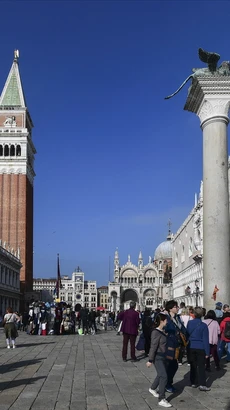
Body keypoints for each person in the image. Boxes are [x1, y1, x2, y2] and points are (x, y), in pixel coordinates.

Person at [146, 313, 172, 408]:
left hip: (163, 356)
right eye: (166, 320)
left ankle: (153, 388)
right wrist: (150, 360)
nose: (167, 322)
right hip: (158, 357)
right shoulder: (155, 332)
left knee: (161, 374)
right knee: (164, 376)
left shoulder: (162, 331)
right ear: (162, 321)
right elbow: (153, 346)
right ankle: (161, 399)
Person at [164, 300, 186, 392]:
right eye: (175, 307)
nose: (177, 308)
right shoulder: (165, 318)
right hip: (168, 344)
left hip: (176, 344)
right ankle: (166, 385)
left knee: (173, 365)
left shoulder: (177, 318)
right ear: (170, 308)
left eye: (177, 307)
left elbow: (183, 328)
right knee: (170, 365)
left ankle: (168, 383)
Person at [187, 307, 210, 391]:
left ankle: (193, 382)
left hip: (191, 347)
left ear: (194, 314)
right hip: (200, 347)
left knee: (193, 366)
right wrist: (207, 352)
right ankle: (202, 384)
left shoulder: (189, 323)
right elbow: (205, 340)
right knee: (201, 366)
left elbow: (187, 334)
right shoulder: (203, 325)